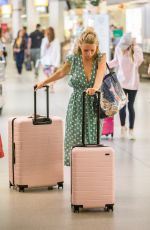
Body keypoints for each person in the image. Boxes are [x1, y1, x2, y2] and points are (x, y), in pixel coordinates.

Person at [36, 27, 106, 166]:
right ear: (80, 46)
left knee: (92, 136)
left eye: (92, 49)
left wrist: (95, 88)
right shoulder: (73, 59)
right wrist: (44, 82)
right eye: (86, 50)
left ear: (96, 47)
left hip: (94, 103)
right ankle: (77, 167)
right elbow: (61, 73)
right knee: (75, 135)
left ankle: (91, 167)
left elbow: (100, 75)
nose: (89, 53)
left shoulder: (100, 57)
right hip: (77, 103)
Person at [108, 33, 144, 140]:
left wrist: (133, 49)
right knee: (122, 106)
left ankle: (131, 130)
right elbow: (115, 62)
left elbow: (138, 62)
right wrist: (104, 64)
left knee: (130, 106)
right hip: (121, 82)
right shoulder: (119, 48)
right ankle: (123, 128)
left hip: (133, 83)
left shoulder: (137, 50)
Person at [40, 27, 60, 92]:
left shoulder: (56, 40)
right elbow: (42, 52)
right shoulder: (44, 40)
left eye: (49, 32)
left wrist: (57, 63)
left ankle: (51, 86)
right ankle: (49, 86)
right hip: (45, 61)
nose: (47, 34)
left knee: (53, 76)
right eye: (47, 32)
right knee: (47, 76)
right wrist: (46, 47)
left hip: (53, 62)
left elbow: (58, 52)